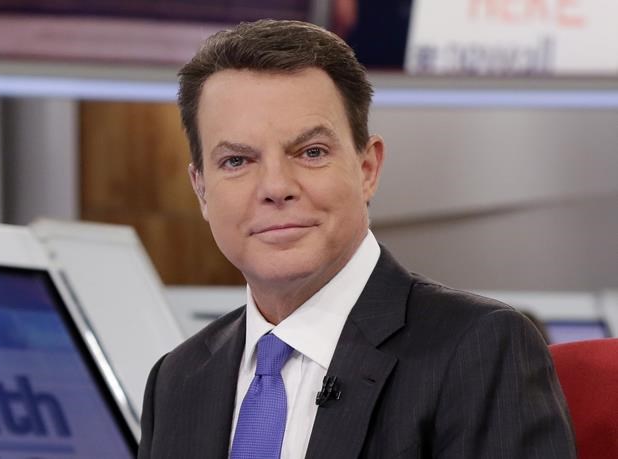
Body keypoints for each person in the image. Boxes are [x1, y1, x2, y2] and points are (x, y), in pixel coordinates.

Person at [138, 19, 576, 458]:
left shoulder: (478, 348)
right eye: (236, 161)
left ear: (367, 169)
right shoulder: (177, 380)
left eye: (311, 152)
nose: (275, 187)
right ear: (201, 190)